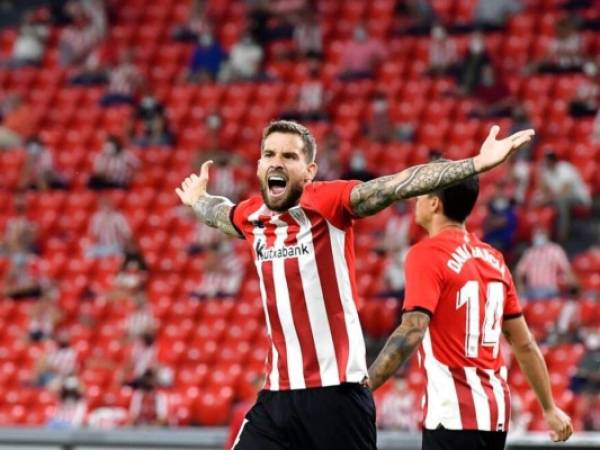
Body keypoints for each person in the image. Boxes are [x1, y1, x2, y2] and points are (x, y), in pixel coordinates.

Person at [176, 119, 535, 450]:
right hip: (277, 396)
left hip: (337, 396)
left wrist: (474, 164)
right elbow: (221, 215)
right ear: (258, 165)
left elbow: (395, 184)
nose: (276, 161)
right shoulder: (252, 216)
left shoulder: (329, 202)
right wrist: (199, 199)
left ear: (309, 171)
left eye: (289, 155)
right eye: (269, 154)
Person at [365, 167, 573, 449]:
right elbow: (524, 343)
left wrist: (365, 388)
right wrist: (549, 407)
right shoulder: (494, 259)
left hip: (453, 416)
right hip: (495, 415)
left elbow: (412, 329)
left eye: (421, 193)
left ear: (435, 203)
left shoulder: (426, 253)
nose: (416, 199)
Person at [535, 151, 591, 241]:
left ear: (552, 161)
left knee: (561, 201)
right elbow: (544, 190)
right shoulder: (548, 172)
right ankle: (543, 236)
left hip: (578, 198)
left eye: (546, 162)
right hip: (559, 198)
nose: (545, 164)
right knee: (539, 200)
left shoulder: (564, 168)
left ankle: (563, 235)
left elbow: (566, 191)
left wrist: (548, 199)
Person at [515, 227, 578, 300]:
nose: (537, 236)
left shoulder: (555, 250)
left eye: (540, 234)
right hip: (531, 291)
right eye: (536, 234)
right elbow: (519, 272)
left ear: (547, 235)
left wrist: (573, 284)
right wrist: (520, 287)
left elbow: (566, 269)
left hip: (550, 290)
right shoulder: (530, 252)